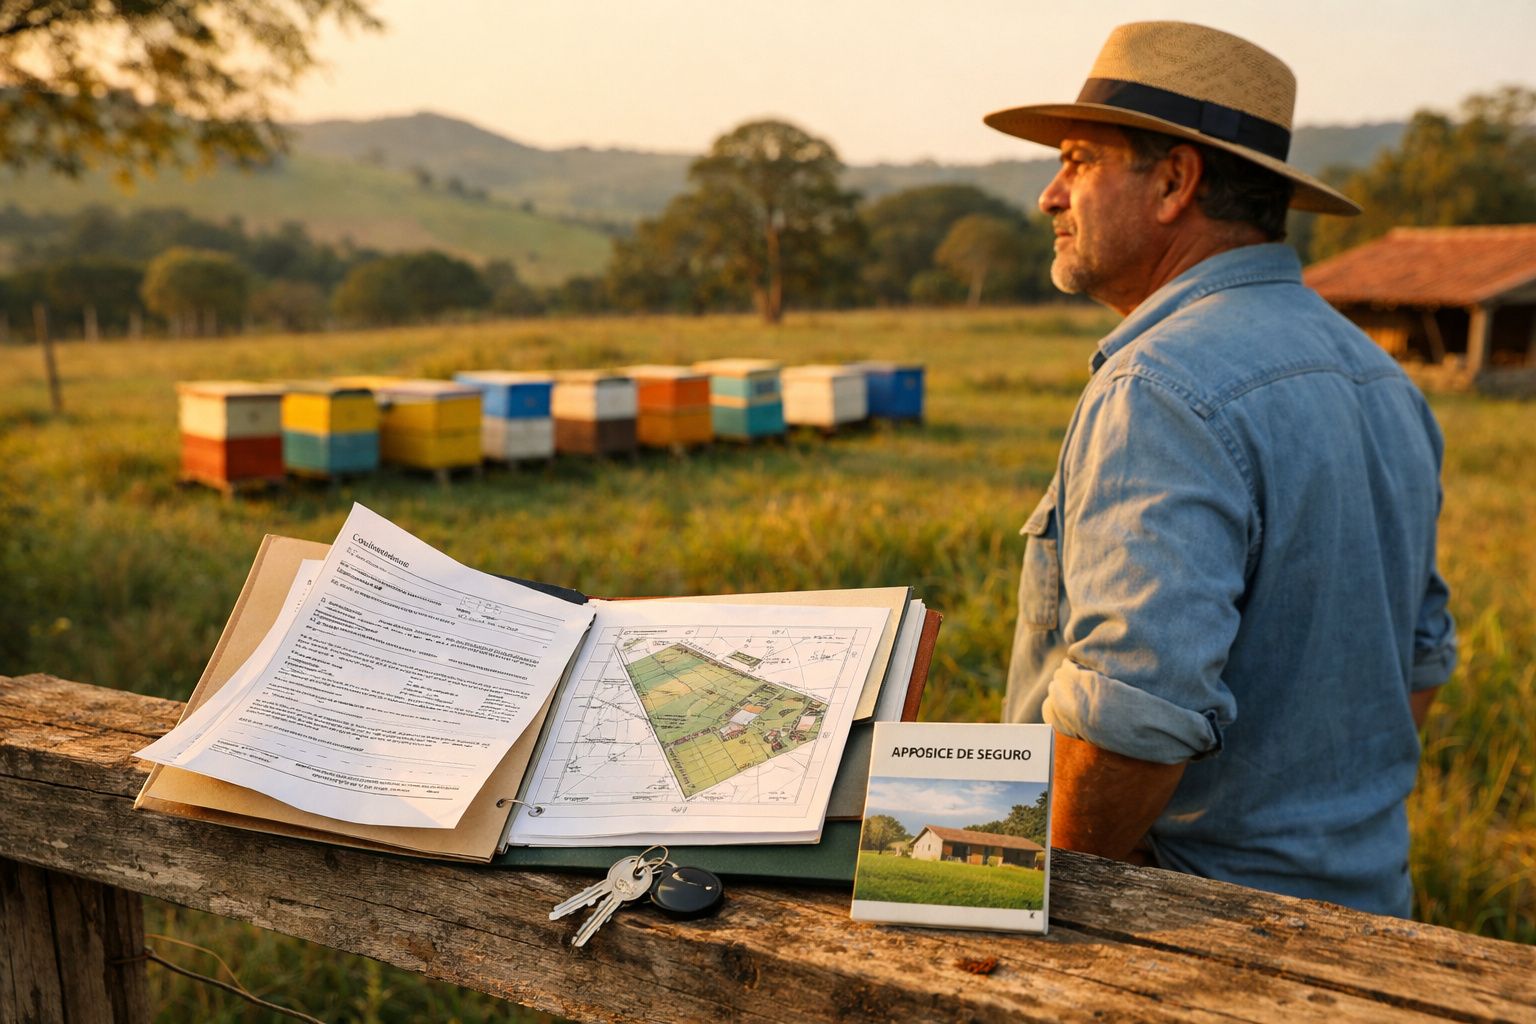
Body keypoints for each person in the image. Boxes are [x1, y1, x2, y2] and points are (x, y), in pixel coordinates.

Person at [986, 21, 1457, 917]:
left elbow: (1132, 722)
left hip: (1194, 935)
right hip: (1369, 916)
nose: (1050, 194)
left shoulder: (1159, 385)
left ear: (1174, 181)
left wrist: (1023, 904)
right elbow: (1422, 662)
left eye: (1080, 160)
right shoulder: (1382, 376)